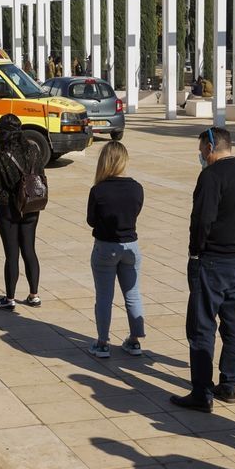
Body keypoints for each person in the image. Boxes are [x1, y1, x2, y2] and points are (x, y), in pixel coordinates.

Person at [171, 128, 235, 412]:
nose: (201, 156)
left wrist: (195, 251)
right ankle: (229, 384)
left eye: (201, 149)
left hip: (214, 261)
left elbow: (202, 219)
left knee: (201, 326)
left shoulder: (211, 176)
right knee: (232, 324)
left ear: (210, 147)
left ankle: (202, 392)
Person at [86, 140, 145, 359]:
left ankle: (102, 343)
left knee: (104, 296)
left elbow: (91, 220)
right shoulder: (136, 187)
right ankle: (135, 340)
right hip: (131, 245)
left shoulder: (98, 190)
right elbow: (135, 212)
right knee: (132, 294)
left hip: (105, 247)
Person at [0, 114, 45, 310]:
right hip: (31, 206)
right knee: (29, 249)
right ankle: (34, 295)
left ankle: (10, 299)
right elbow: (41, 177)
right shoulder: (33, 149)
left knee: (12, 253)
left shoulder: (2, 153)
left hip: (8, 208)